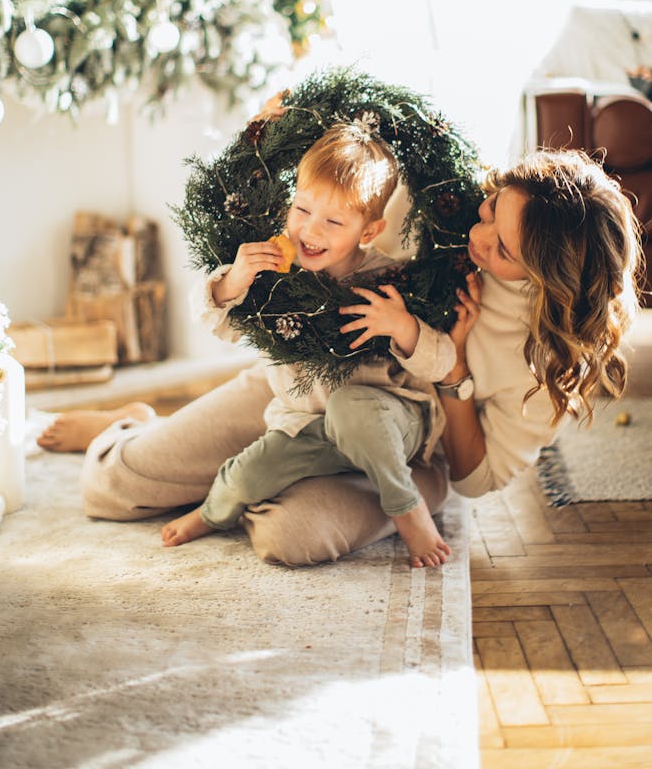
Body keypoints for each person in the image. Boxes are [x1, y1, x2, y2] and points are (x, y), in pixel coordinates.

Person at [38, 147, 643, 568]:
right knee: (116, 485)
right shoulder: (443, 213)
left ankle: (249, 480)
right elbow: (336, 186)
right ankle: (136, 427)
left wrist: (455, 374)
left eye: (503, 246)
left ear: (545, 276)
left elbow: (479, 478)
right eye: (489, 212)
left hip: (405, 450)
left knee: (288, 537)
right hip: (300, 392)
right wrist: (270, 132)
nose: (477, 238)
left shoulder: (552, 358)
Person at [159, 122, 456, 567]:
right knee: (247, 475)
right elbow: (215, 321)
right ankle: (212, 512)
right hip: (305, 426)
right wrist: (234, 280)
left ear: (368, 232)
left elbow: (444, 362)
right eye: (301, 209)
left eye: (334, 221)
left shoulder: (387, 280)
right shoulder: (276, 272)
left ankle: (406, 507)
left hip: (387, 423)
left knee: (351, 408)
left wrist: (403, 327)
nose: (309, 231)